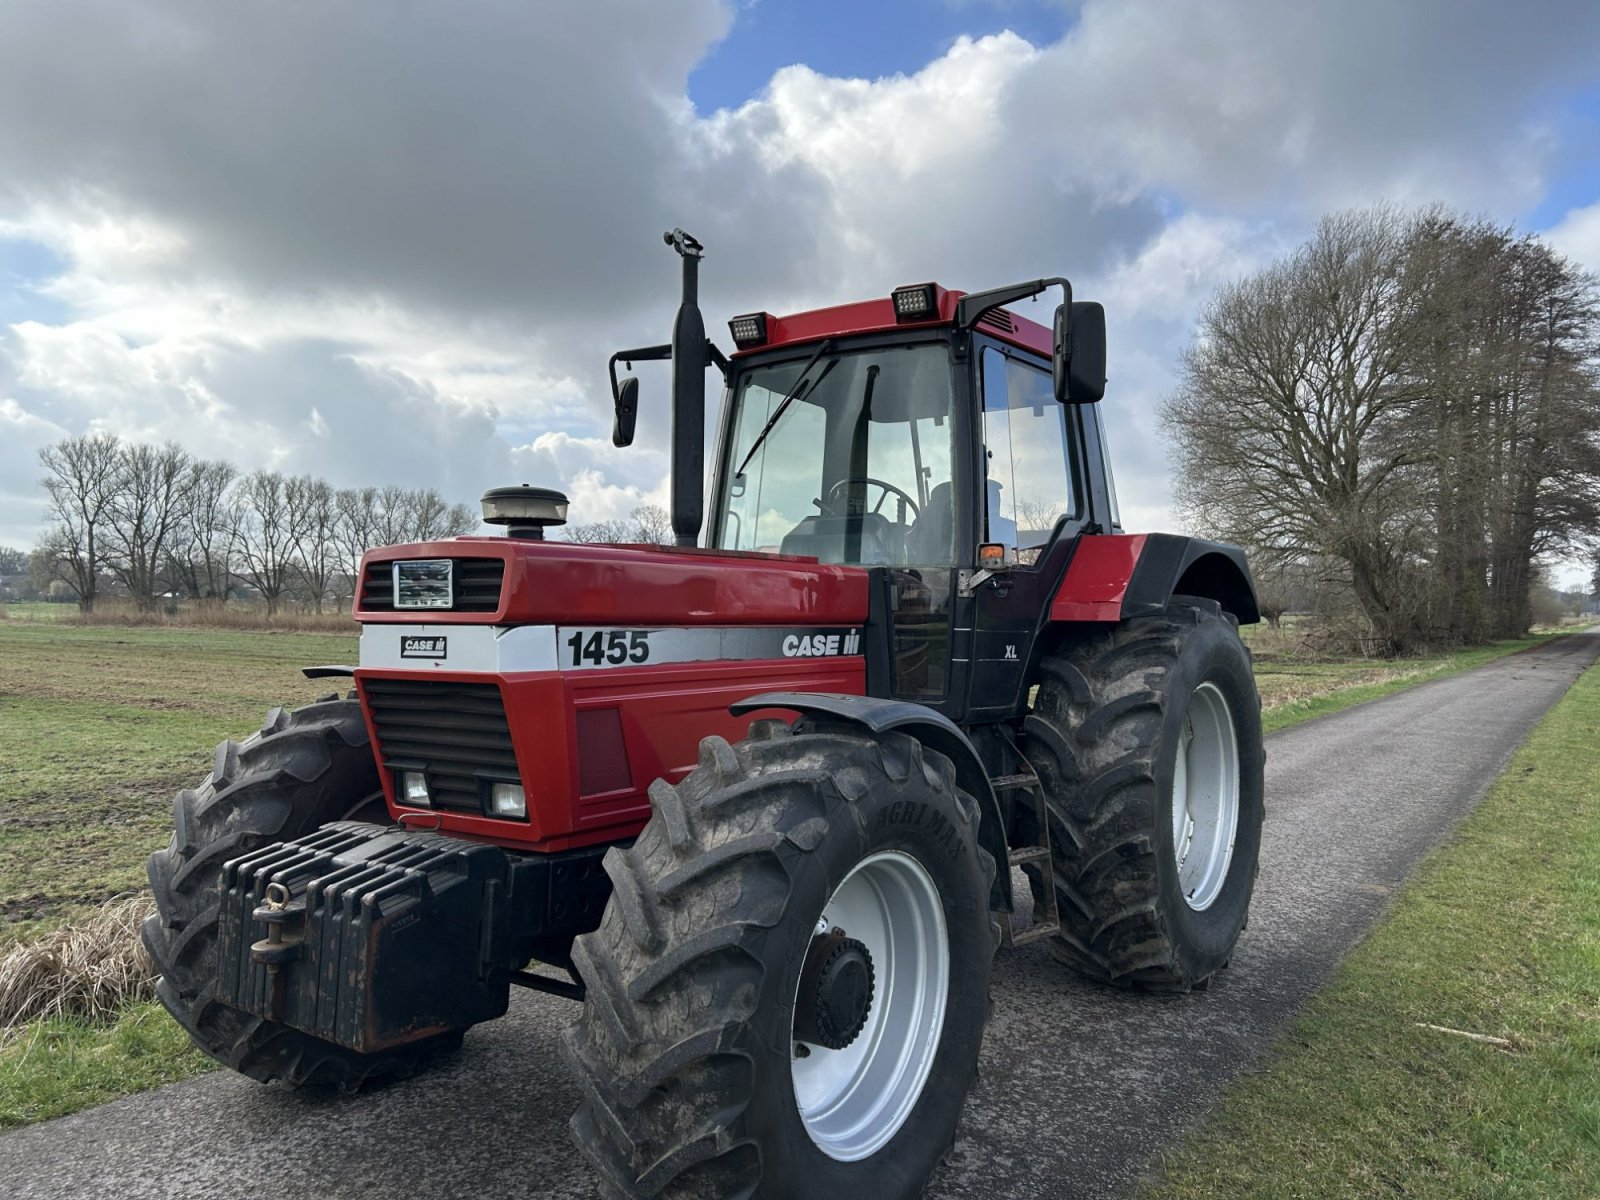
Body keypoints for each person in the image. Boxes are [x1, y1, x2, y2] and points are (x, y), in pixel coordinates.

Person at [986, 477, 1017, 555]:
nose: (998, 500)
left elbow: (1012, 554)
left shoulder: (1009, 527)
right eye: (992, 497)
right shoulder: (965, 528)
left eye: (998, 497)